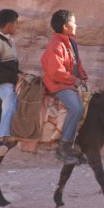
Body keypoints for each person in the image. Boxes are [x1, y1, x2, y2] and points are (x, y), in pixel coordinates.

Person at [41, 9, 88, 165]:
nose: (76, 25)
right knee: (76, 108)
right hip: (58, 85)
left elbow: (77, 64)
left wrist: (82, 76)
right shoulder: (55, 44)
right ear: (66, 26)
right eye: (74, 22)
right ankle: (63, 147)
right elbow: (55, 72)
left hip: (69, 83)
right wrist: (73, 80)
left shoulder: (71, 42)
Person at [0, 9, 25, 161]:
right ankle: (2, 138)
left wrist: (22, 75)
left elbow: (13, 68)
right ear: (9, 25)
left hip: (14, 81)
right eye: (16, 24)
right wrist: (16, 77)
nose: (17, 27)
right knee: (10, 100)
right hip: (3, 84)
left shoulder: (11, 42)